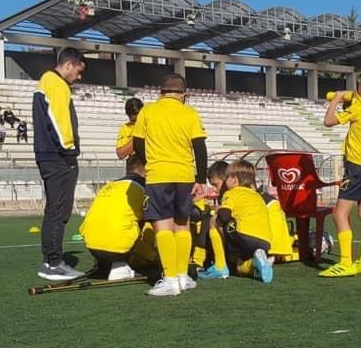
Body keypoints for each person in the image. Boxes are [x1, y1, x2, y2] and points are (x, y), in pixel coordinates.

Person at [131, 74, 208, 296]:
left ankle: (170, 279)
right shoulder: (190, 112)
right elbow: (199, 147)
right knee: (182, 225)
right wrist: (201, 179)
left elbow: (137, 143)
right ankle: (182, 276)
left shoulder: (148, 111)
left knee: (163, 226)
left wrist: (149, 162)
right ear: (183, 94)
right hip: (185, 175)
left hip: (159, 175)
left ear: (161, 92)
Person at [318, 73, 361, 277]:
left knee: (339, 213)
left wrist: (337, 99)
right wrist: (348, 96)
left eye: (358, 87)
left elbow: (328, 121)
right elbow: (356, 98)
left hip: (356, 169)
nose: (355, 90)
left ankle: (346, 263)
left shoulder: (358, 109)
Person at [33, 47, 86, 282]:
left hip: (50, 155)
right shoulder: (56, 84)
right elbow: (59, 120)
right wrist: (69, 149)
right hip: (58, 157)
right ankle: (53, 263)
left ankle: (53, 261)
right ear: (68, 65)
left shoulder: (48, 82)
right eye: (78, 71)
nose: (79, 76)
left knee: (56, 209)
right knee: (58, 209)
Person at [79, 155, 158, 279]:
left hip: (91, 246)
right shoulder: (143, 188)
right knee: (149, 222)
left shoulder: (108, 186)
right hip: (118, 248)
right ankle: (120, 266)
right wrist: (154, 256)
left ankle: (104, 263)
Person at [199, 160, 273, 282]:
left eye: (227, 177)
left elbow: (224, 216)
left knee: (214, 220)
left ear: (234, 180)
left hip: (245, 236)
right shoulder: (257, 195)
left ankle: (220, 266)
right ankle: (256, 262)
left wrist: (218, 210)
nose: (225, 181)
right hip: (265, 242)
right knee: (239, 267)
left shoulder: (232, 193)